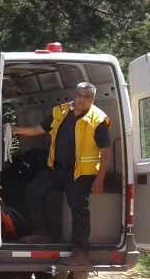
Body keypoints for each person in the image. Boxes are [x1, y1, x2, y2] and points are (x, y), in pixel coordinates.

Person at [11, 82, 111, 266]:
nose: (81, 99)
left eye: (86, 96)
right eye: (79, 94)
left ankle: (81, 252)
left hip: (80, 173)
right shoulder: (62, 111)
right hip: (56, 168)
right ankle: (42, 234)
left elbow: (105, 152)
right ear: (74, 95)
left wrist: (100, 179)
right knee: (34, 190)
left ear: (92, 99)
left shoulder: (98, 120)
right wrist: (16, 130)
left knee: (79, 210)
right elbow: (40, 129)